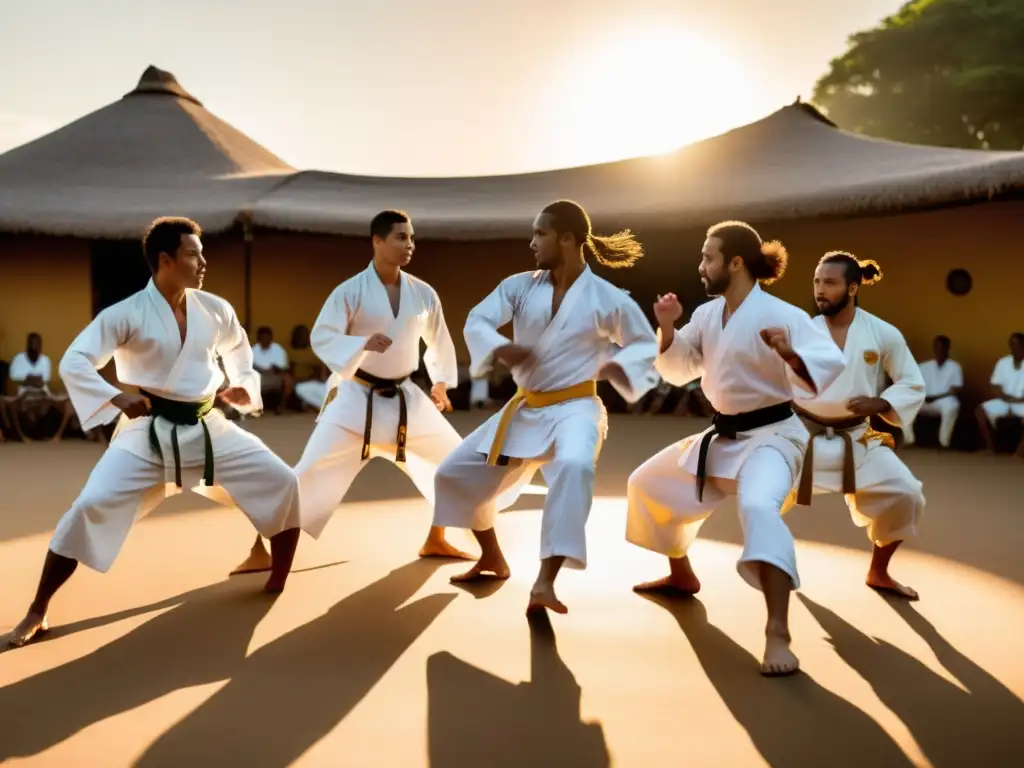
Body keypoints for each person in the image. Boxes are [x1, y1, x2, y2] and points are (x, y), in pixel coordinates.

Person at [7, 217, 303, 648]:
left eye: (202, 253)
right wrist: (115, 397)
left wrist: (244, 383)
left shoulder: (214, 308)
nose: (203, 262)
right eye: (193, 254)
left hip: (206, 425)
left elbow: (238, 347)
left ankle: (276, 579)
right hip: (147, 431)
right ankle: (38, 609)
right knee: (89, 505)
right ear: (165, 260)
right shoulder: (126, 313)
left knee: (283, 481)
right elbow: (74, 360)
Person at [625, 221, 846, 676]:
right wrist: (666, 327)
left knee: (758, 510)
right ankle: (681, 574)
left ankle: (778, 633)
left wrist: (787, 353)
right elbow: (679, 367)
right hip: (723, 437)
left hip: (773, 437)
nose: (701, 265)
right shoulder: (709, 315)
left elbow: (826, 369)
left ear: (736, 262)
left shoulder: (783, 315)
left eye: (709, 257)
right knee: (647, 483)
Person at [432, 199, 659, 615]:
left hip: (576, 408)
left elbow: (644, 341)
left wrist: (618, 367)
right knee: (452, 475)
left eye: (540, 233)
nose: (532, 242)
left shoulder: (604, 297)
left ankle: (544, 582)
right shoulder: (520, 286)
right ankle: (492, 556)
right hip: (525, 409)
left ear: (568, 238)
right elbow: (476, 320)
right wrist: (503, 349)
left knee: (574, 466)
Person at [231, 210, 473, 576]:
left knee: (454, 462)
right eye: (401, 238)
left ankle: (436, 537)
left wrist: (439, 382)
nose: (410, 245)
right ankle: (260, 547)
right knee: (308, 472)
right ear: (377, 241)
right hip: (355, 398)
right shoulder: (350, 291)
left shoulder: (422, 293)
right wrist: (361, 344)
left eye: (412, 238)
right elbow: (322, 336)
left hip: (407, 397)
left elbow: (437, 339)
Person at [786, 252, 926, 600]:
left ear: (852, 287)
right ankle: (776, 567)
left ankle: (879, 572)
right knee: (760, 498)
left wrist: (880, 403)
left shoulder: (883, 333)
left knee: (907, 494)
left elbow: (911, 382)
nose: (820, 290)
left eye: (829, 283)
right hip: (799, 437)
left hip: (857, 439)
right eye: (817, 281)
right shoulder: (800, 331)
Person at [908, 335, 962, 448]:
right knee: (905, 405)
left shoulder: (955, 367)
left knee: (952, 406)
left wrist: (936, 397)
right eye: (936, 347)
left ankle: (944, 443)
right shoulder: (924, 366)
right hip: (924, 400)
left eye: (942, 347)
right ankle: (909, 440)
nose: (939, 350)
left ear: (948, 348)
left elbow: (955, 391)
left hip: (943, 400)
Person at [975, 332, 1024, 456]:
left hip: (1021, 403)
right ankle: (990, 448)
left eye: (1017, 344)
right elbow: (995, 387)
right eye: (1012, 344)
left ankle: (1019, 452)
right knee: (980, 411)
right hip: (1004, 400)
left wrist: (1016, 402)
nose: (1014, 347)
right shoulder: (1003, 362)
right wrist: (1005, 399)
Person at [252, 327, 292, 413]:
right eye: (263, 338)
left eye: (267, 337)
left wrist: (277, 369)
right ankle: (254, 408)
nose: (265, 340)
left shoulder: (278, 350)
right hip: (258, 376)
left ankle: (281, 407)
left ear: (271, 338)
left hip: (275, 375)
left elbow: (285, 369)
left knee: (287, 378)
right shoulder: (253, 350)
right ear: (258, 339)